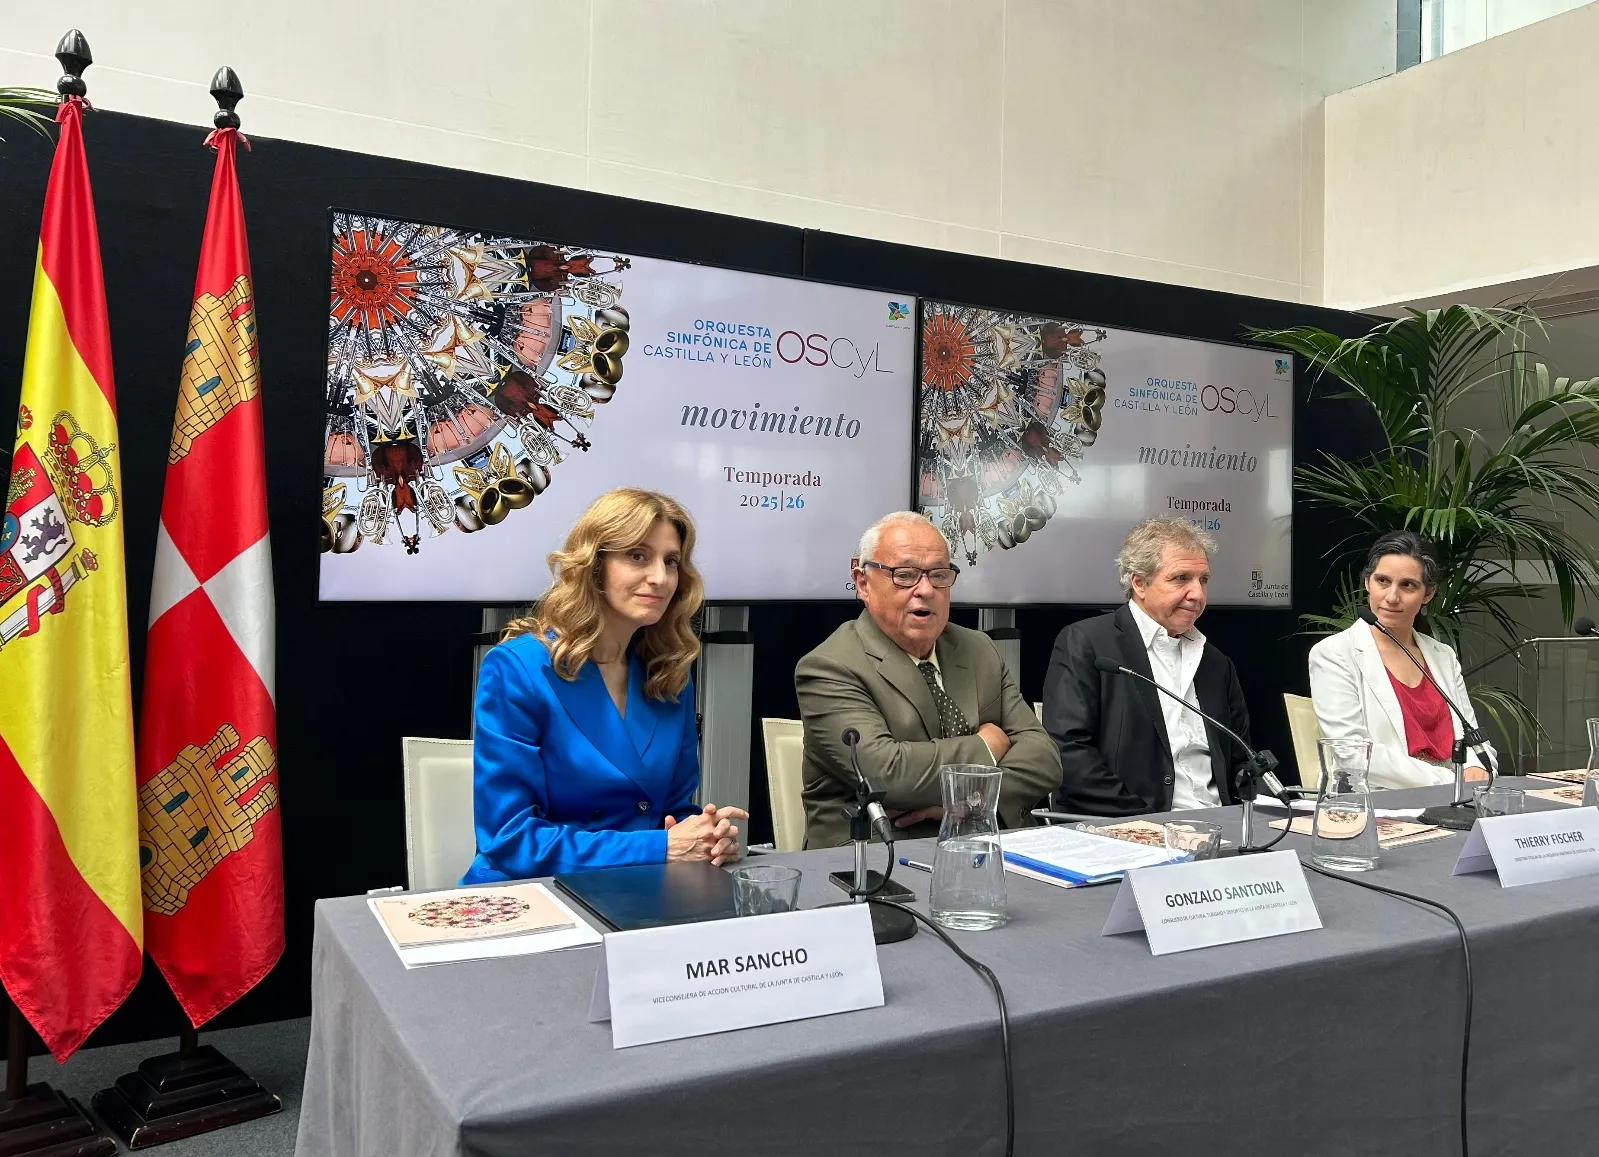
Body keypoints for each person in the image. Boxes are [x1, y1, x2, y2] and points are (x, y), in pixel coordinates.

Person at [461, 489, 745, 882]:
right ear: (594, 566)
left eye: (671, 561)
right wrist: (661, 848)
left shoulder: (668, 672)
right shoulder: (517, 669)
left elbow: (671, 810)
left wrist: (705, 835)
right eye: (638, 556)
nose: (660, 578)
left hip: (641, 888)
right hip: (535, 893)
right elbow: (510, 840)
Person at [795, 511, 1059, 847]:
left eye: (939, 575)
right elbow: (888, 775)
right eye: (904, 576)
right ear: (862, 582)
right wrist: (987, 746)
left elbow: (1044, 758)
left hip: (985, 846)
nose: (926, 590)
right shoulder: (829, 667)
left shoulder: (978, 649)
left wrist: (968, 801)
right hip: (879, 856)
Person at [1041, 518, 1252, 816]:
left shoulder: (1216, 663)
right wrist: (1146, 822)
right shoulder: (1088, 643)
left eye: (1203, 580)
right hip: (1127, 826)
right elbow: (1068, 754)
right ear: (1139, 583)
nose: (1197, 594)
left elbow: (1242, 758)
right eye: (1181, 578)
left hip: (1222, 825)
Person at [1308, 530, 1496, 789]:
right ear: (1367, 583)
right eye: (1382, 581)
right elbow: (1353, 753)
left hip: (1456, 796)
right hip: (1381, 799)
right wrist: (1450, 781)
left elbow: (1473, 736)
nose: (1392, 597)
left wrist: (1477, 767)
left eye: (1408, 585)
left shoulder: (1442, 656)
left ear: (1428, 594)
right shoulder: (1334, 653)